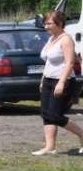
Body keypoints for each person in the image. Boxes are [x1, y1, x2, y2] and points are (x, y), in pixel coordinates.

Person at [33, 10, 83, 155]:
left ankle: (81, 134)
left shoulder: (66, 39)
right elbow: (48, 61)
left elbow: (69, 63)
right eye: (45, 24)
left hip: (63, 80)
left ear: (59, 23)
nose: (46, 27)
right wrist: (43, 79)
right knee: (46, 114)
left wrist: (61, 83)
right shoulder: (52, 38)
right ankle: (50, 147)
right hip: (48, 79)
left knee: (55, 115)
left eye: (49, 23)